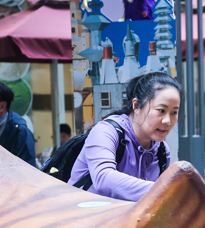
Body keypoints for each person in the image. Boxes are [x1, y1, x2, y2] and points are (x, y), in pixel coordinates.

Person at [68, 72, 181, 202]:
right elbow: (103, 178)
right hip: (84, 213)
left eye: (174, 112)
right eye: (161, 110)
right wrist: (166, 190)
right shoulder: (105, 132)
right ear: (136, 106)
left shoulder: (162, 151)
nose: (167, 121)